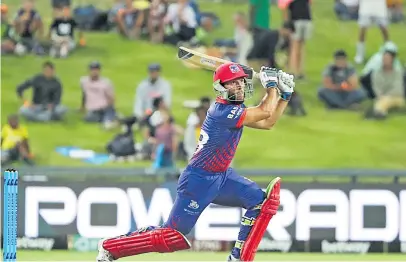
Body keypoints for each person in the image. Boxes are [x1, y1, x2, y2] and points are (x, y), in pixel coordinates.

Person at [96, 64, 296, 262]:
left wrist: (284, 95)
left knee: (261, 202)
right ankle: (110, 247)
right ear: (221, 87)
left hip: (222, 177)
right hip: (198, 180)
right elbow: (264, 111)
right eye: (233, 83)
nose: (239, 86)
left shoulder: (236, 110)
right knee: (171, 237)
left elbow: (268, 122)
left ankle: (238, 258)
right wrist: (271, 85)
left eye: (241, 82)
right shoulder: (223, 112)